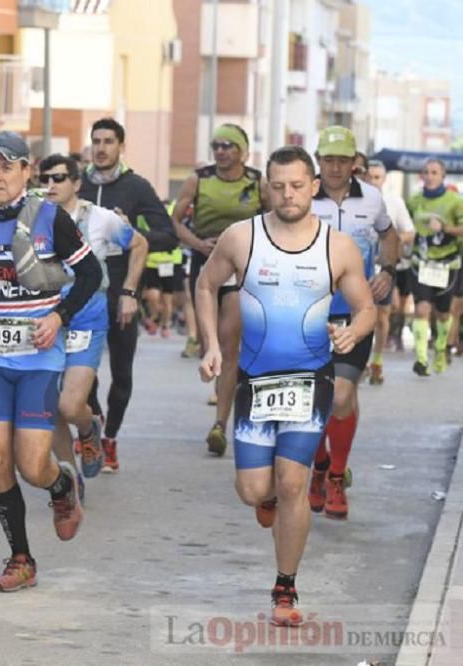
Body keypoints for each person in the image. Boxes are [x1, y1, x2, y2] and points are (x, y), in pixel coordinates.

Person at [197, 145, 375, 627]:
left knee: (294, 481)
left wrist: (353, 332)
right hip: (256, 381)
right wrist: (212, 344)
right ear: (266, 187)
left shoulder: (337, 246)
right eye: (278, 186)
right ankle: (270, 495)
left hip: (309, 379)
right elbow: (206, 284)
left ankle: (285, 589)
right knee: (254, 491)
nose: (288, 194)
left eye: (297, 185)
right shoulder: (241, 237)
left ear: (314, 187)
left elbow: (366, 307)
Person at [0, 131, 102, 592]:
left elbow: (91, 274)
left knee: (33, 465)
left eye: (6, 167)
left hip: (38, 359)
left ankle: (60, 487)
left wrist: (59, 315)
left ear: (25, 171)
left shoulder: (51, 219)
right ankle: (20, 558)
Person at [307, 127, 398, 521]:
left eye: (342, 160)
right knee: (311, 402)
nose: (335, 167)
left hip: (356, 313)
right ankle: (319, 466)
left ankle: (337, 477)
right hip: (309, 314)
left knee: (341, 396)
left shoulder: (372, 199)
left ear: (354, 162)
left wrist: (389, 270)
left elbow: (389, 235)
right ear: (318, 160)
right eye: (328, 160)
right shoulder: (304, 197)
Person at [39, 153, 147, 480]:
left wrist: (128, 291)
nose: (50, 185)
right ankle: (67, 478)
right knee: (48, 403)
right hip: (43, 315)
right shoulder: (31, 216)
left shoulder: (100, 218)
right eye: (44, 179)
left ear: (76, 183)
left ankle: (88, 429)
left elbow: (139, 244)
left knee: (70, 406)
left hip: (86, 315)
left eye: (58, 178)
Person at [78, 117, 178, 468]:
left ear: (122, 146)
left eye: (108, 141)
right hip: (82, 287)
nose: (101, 148)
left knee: (121, 371)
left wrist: (128, 231)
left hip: (121, 285)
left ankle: (110, 438)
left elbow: (168, 234)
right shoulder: (77, 186)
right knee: (80, 368)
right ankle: (94, 424)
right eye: (96, 141)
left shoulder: (135, 187)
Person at [170, 123, 268, 457]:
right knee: (211, 343)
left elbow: (276, 220)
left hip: (243, 267)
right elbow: (175, 221)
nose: (222, 151)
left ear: (243, 151)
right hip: (207, 264)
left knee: (229, 342)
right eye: (217, 145)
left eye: (229, 145)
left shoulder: (257, 182)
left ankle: (220, 424)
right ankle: (220, 381)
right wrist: (198, 243)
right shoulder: (199, 179)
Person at [406, 158, 463, 376]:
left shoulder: (455, 201)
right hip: (421, 263)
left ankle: (440, 348)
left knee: (442, 313)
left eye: (434, 172)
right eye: (426, 172)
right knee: (421, 309)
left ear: (442, 176)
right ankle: (421, 359)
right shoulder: (414, 200)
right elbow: (406, 224)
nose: (429, 176)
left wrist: (446, 228)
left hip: (447, 265)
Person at [364, 159, 415, 381]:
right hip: (359, 265)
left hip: (384, 265)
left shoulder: (394, 202)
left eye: (378, 177)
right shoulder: (354, 200)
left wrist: (390, 241)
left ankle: (377, 360)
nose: (373, 181)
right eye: (370, 177)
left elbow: (409, 232)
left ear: (384, 180)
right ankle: (361, 359)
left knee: (383, 313)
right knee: (360, 311)